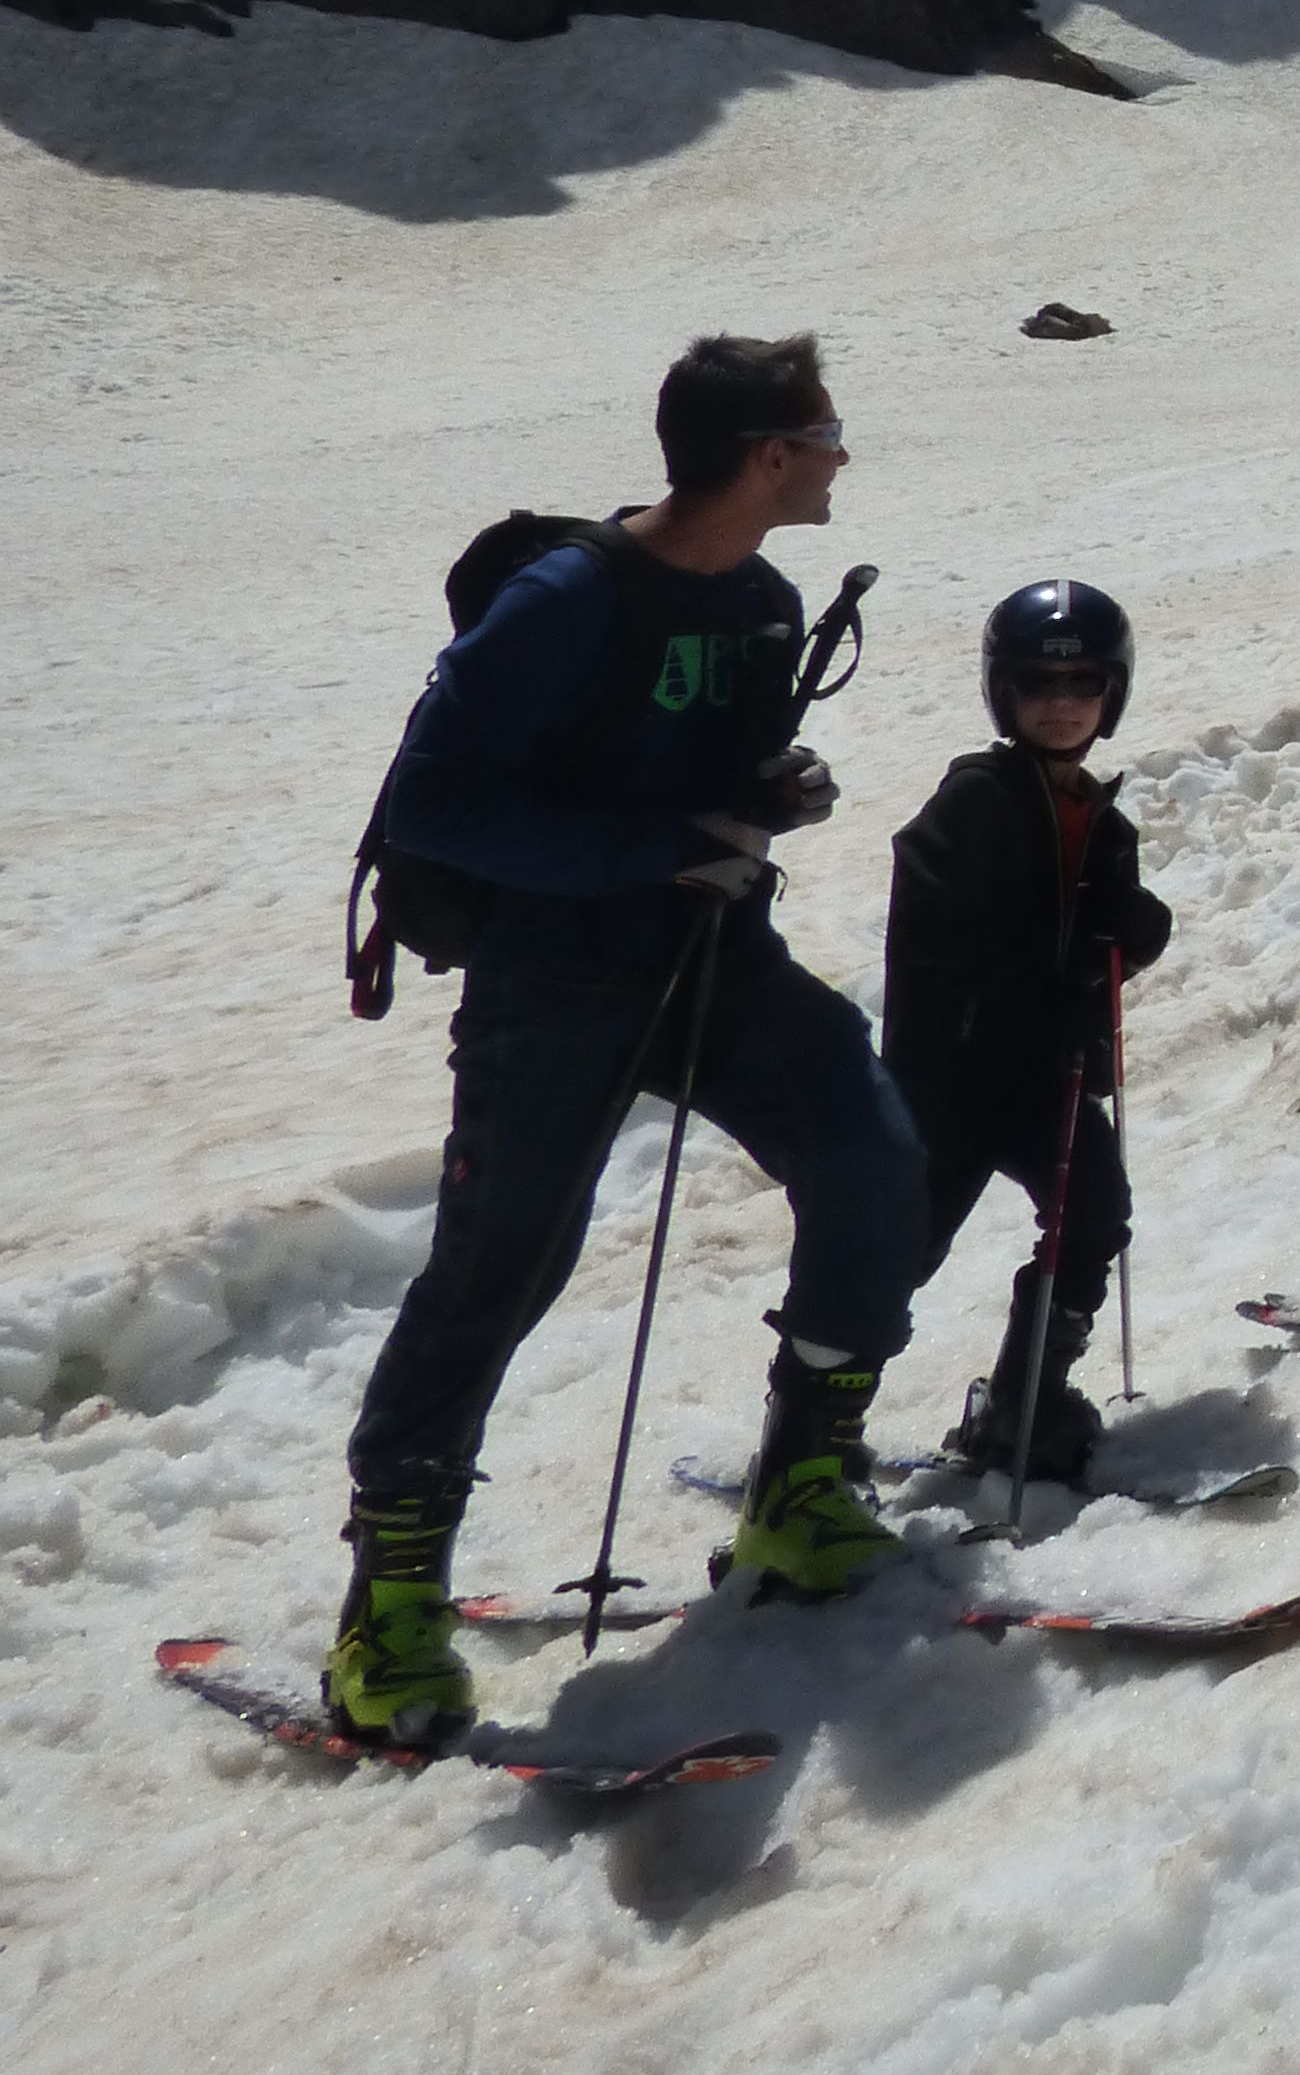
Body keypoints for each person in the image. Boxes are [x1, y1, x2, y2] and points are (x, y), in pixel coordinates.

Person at [327, 334, 924, 1745]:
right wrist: (659, 849)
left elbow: (705, 782)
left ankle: (802, 1485)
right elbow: (434, 807)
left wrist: (768, 795)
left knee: (873, 1151)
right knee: (501, 1269)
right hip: (553, 980)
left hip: (714, 957)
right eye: (825, 434)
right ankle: (388, 1611)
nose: (841, 455)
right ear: (767, 456)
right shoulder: (563, 600)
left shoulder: (765, 599)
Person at [885, 582, 1174, 1483]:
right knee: (894, 1251)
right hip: (953, 1079)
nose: (1061, 704)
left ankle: (1028, 1397)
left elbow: (1098, 938)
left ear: (1112, 694)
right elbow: (941, 935)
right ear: (1002, 694)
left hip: (1044, 1074)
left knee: (1094, 1211)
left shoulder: (1104, 821)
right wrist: (1040, 992)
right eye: (1038, 685)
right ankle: (811, 1425)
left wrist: (1131, 934)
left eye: (1083, 684)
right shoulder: (972, 802)